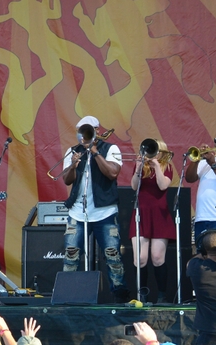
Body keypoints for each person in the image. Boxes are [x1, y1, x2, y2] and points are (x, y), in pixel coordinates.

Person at [61, 115, 130, 302]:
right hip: (77, 211)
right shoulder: (73, 151)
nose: (84, 135)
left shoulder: (110, 148)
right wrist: (73, 165)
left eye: (88, 130)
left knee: (112, 255)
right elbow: (67, 180)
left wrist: (95, 152)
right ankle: (68, 297)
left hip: (104, 212)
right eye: (81, 131)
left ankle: (120, 298)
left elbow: (113, 173)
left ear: (97, 131)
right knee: (71, 255)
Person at [129, 140, 175, 303]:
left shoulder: (166, 167)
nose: (151, 153)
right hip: (141, 213)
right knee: (140, 259)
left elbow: (163, 186)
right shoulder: (141, 166)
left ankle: (162, 295)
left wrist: (156, 166)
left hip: (159, 215)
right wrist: (139, 169)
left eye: (154, 150)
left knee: (157, 257)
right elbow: (134, 187)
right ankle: (142, 295)